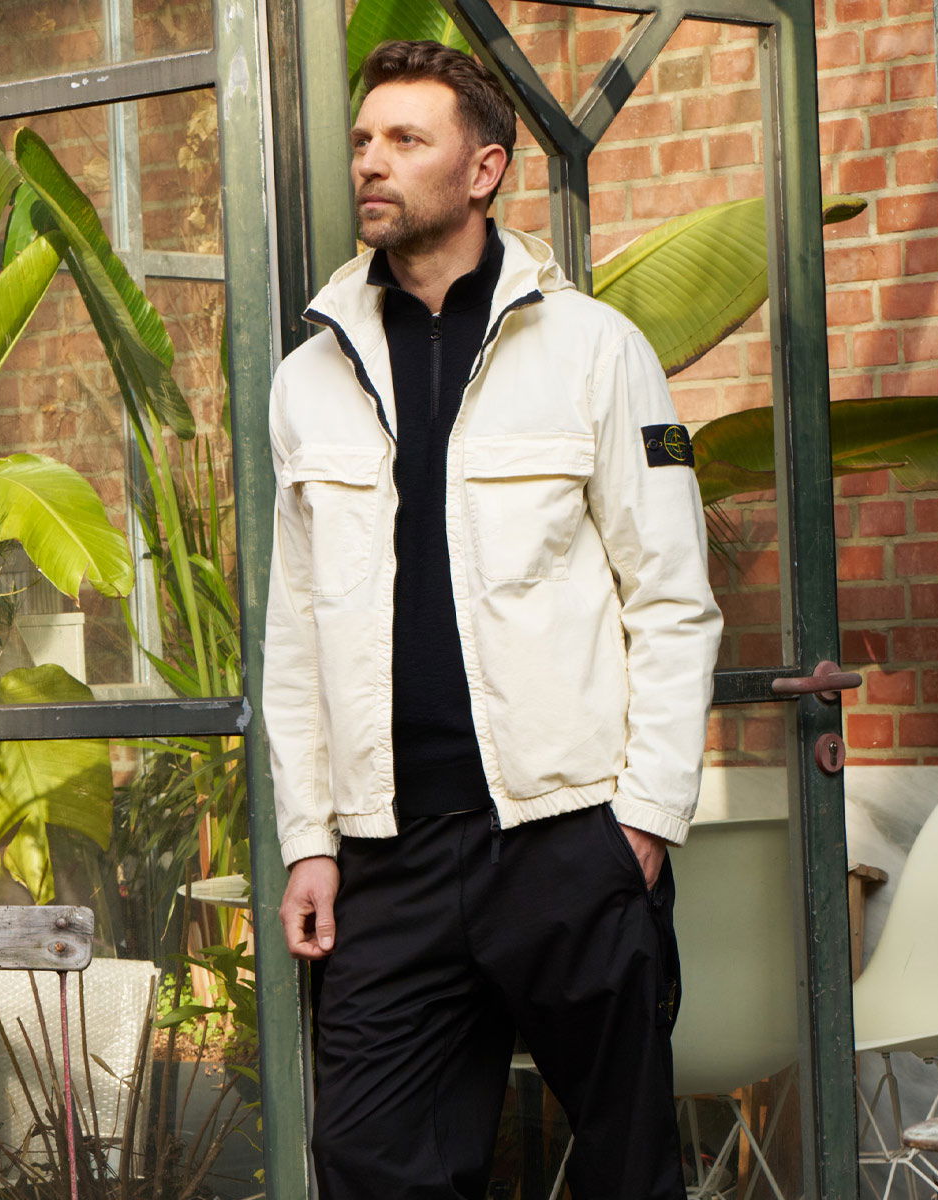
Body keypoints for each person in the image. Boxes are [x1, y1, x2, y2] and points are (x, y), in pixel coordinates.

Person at [263, 39, 722, 1200]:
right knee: (367, 1163)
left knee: (625, 1169)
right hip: (386, 860)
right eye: (364, 140)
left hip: (565, 838)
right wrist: (310, 837)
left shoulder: (594, 353)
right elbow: (294, 636)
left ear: (484, 169)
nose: (372, 162)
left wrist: (642, 825)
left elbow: (670, 597)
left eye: (406, 140)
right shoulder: (308, 376)